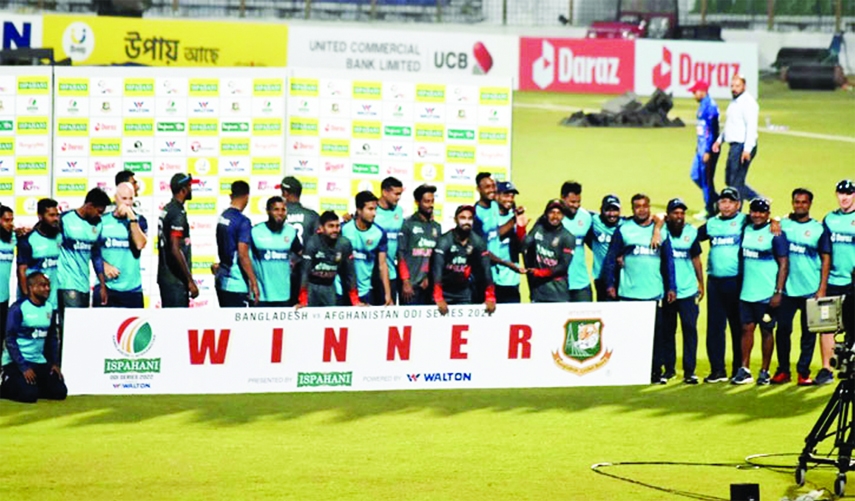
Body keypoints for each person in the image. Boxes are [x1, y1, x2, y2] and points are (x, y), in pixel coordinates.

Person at [602, 193, 676, 384]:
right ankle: (630, 370)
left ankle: (655, 372)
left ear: (649, 207)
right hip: (629, 292)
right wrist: (610, 284)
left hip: (653, 292)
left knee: (655, 337)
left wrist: (671, 287)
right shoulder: (624, 230)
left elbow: (668, 262)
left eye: (645, 206)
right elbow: (611, 257)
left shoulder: (661, 231)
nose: (641, 209)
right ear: (632, 208)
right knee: (629, 335)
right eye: (637, 206)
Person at [770, 189, 833, 386]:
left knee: (808, 335)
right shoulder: (784, 225)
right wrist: (774, 221)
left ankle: (803, 372)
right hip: (788, 290)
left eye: (804, 202)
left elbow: (825, 259)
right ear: (793, 203)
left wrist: (822, 288)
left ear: (810, 204)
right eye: (797, 202)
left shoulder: (819, 229)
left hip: (810, 289)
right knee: (783, 331)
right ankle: (783, 370)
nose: (800, 205)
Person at [732, 198, 789, 385]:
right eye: (754, 212)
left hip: (766, 294)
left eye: (761, 212)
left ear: (768, 214)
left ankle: (764, 371)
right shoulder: (746, 229)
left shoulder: (776, 234)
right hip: (747, 292)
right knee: (746, 329)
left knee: (766, 331)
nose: (757, 215)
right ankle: (745, 369)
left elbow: (783, 264)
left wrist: (778, 291)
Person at [696, 187, 746, 383]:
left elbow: (764, 221)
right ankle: (717, 370)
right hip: (715, 282)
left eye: (730, 202)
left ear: (738, 205)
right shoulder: (712, 224)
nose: (725, 205)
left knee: (737, 326)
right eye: (723, 202)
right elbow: (691, 236)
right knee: (715, 327)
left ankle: (738, 368)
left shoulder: (744, 221)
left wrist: (775, 222)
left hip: (736, 281)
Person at [0, 272, 66, 404]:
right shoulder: (19, 308)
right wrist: (23, 367)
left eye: (48, 285)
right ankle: (5, 385)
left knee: (60, 392)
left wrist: (54, 363)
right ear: (31, 288)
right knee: (29, 395)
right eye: (42, 285)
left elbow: (52, 338)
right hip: (17, 363)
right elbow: (10, 339)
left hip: (38, 362)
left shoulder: (49, 308)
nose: (47, 289)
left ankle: (33, 386)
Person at [662, 199, 704, 384]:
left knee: (689, 330)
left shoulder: (690, 232)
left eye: (681, 213)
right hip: (667, 291)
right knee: (668, 331)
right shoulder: (660, 231)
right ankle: (669, 369)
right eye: (675, 213)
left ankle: (690, 371)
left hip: (688, 291)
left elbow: (696, 259)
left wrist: (701, 283)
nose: (679, 217)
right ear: (668, 214)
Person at [817, 180, 855, 380]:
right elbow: (824, 249)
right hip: (832, 280)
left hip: (853, 283)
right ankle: (826, 368)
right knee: (826, 325)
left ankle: (850, 366)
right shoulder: (829, 219)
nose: (844, 197)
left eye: (848, 193)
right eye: (841, 193)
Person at [92, 182, 148, 308]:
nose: (127, 203)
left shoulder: (140, 220)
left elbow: (139, 244)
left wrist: (132, 219)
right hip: (107, 287)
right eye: (124, 199)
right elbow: (91, 249)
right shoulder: (102, 221)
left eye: (130, 199)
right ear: (116, 198)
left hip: (132, 290)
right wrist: (103, 265)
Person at [433, 205, 496, 315]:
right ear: (455, 220)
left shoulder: (478, 242)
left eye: (470, 218)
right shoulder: (444, 241)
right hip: (444, 291)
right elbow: (436, 269)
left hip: (464, 293)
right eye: (463, 218)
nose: (466, 222)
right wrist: (438, 297)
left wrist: (490, 297)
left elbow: (486, 269)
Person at [57, 188, 110, 311]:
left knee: (78, 327)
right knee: (70, 327)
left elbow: (96, 255)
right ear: (89, 205)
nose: (100, 215)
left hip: (84, 285)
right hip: (67, 284)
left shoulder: (98, 224)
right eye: (99, 211)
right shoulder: (65, 219)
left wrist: (102, 286)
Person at [473, 173, 524, 301]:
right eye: (487, 187)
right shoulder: (476, 214)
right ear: (478, 189)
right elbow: (481, 250)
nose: (491, 190)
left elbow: (497, 232)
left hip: (496, 276)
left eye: (493, 186)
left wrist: (516, 218)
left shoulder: (495, 206)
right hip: (483, 274)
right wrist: (506, 263)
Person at [338, 191, 391, 306]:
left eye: (375, 209)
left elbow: (382, 265)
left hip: (364, 291)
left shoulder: (379, 233)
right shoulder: (343, 229)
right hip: (342, 289)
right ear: (359, 210)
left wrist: (387, 293)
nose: (374, 213)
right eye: (370, 209)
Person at [713, 75, 761, 202]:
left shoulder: (749, 103)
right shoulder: (735, 102)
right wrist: (719, 140)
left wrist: (747, 150)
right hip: (734, 146)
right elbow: (730, 124)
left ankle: (737, 212)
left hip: (743, 145)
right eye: (732, 86)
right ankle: (757, 199)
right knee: (730, 179)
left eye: (737, 86)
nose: (734, 89)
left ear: (744, 86)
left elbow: (751, 127)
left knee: (735, 182)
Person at [298, 211, 358, 308]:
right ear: (321, 228)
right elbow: (305, 272)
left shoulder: (344, 244)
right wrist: (303, 300)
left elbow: (350, 274)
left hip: (329, 286)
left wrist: (355, 301)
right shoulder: (312, 243)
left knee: (331, 321)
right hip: (311, 286)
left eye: (337, 226)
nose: (335, 230)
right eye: (331, 226)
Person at [214, 181, 259, 308]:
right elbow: (243, 255)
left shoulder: (223, 217)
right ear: (247, 197)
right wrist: (253, 282)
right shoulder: (243, 221)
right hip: (236, 284)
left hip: (221, 280)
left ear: (231, 195)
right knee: (239, 327)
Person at [251, 196, 302, 307]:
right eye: (276, 209)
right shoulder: (255, 231)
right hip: (261, 296)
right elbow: (244, 256)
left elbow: (303, 255)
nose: (280, 213)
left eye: (283, 210)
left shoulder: (291, 231)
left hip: (284, 296)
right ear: (268, 211)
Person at [157, 173, 198, 308]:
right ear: (183, 190)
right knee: (176, 326)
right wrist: (189, 280)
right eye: (190, 186)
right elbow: (175, 248)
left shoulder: (168, 208)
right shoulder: (177, 213)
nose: (192, 189)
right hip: (175, 280)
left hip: (167, 278)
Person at [522, 199, 575, 303]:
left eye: (559, 213)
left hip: (559, 294)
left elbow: (563, 267)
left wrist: (540, 273)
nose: (555, 216)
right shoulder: (538, 230)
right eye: (552, 212)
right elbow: (523, 246)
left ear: (563, 216)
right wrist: (521, 228)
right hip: (538, 293)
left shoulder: (568, 237)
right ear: (546, 214)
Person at [398, 184, 442, 306]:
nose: (431, 205)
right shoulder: (408, 224)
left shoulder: (436, 227)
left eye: (432, 201)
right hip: (411, 286)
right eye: (427, 201)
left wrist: (428, 276)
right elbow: (401, 254)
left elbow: (436, 257)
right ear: (418, 202)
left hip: (429, 285)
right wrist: (406, 281)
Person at [281, 176, 319, 306]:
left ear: (285, 193)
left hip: (282, 272)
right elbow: (318, 245)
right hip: (305, 273)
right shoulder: (312, 215)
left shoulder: (278, 215)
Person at [17, 199, 61, 309]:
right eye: (51, 215)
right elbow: (22, 271)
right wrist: (27, 297)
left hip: (53, 301)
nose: (55, 219)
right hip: (34, 302)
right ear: (40, 216)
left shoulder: (60, 236)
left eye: (57, 215)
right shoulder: (28, 239)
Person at [688, 80, 720, 220]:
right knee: (695, 175)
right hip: (700, 149)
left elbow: (712, 131)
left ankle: (709, 209)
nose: (693, 95)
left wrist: (707, 151)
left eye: (695, 92)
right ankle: (717, 200)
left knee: (706, 180)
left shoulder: (710, 107)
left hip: (707, 150)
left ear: (703, 91)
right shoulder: (702, 106)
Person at [560, 181, 594, 302]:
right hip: (559, 285)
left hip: (581, 283)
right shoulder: (553, 218)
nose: (576, 205)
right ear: (562, 198)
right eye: (572, 202)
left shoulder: (586, 217)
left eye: (578, 201)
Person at [495, 181, 528, 303]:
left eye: (512, 196)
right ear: (496, 196)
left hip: (511, 279)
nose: (510, 199)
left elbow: (521, 247)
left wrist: (521, 228)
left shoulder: (515, 216)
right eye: (506, 195)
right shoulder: (489, 216)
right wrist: (514, 220)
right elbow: (495, 235)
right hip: (492, 279)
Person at [586, 195, 623, 302]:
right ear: (601, 210)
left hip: (623, 278)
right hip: (601, 277)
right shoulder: (594, 220)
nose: (612, 214)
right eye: (608, 210)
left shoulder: (625, 224)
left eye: (615, 210)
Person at [374, 177, 404, 305]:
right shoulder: (372, 210)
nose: (398, 198)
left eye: (400, 194)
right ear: (385, 192)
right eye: (396, 194)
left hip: (391, 273)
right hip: (372, 274)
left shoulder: (399, 211)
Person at [0, 205, 15, 349]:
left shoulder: (12, 238)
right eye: (6, 220)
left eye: (12, 220)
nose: (10, 224)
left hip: (3, 298)